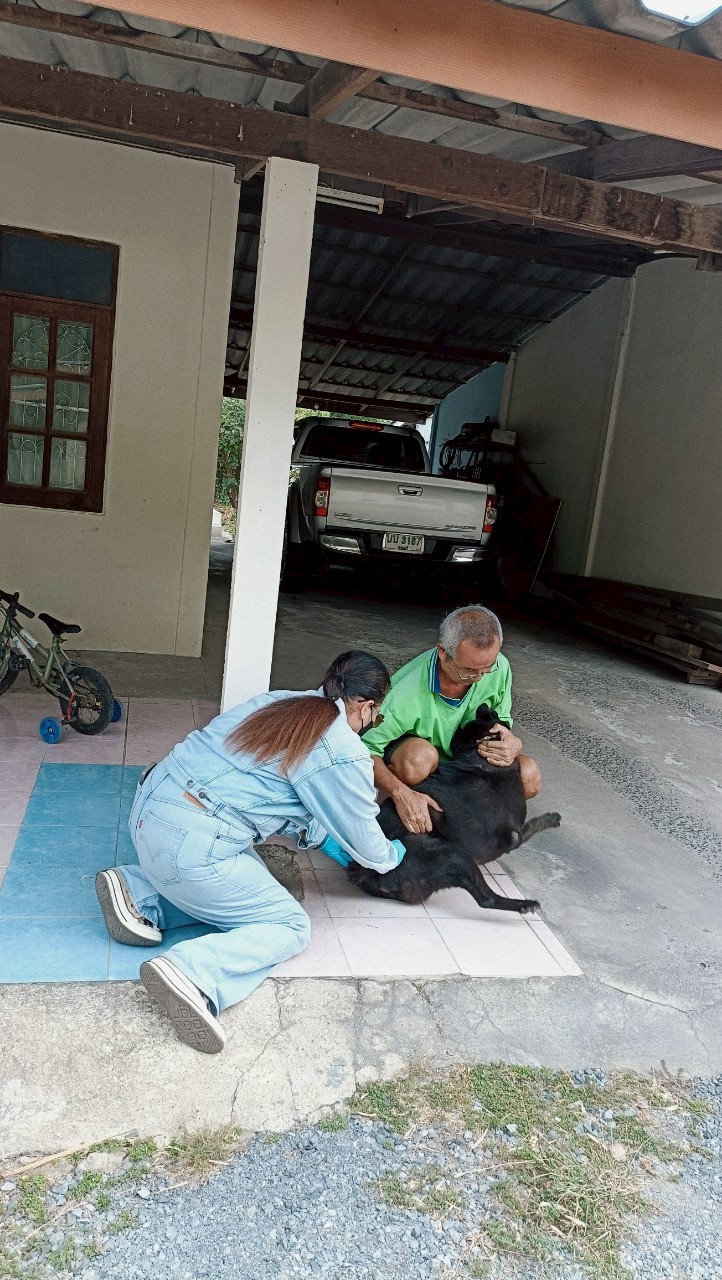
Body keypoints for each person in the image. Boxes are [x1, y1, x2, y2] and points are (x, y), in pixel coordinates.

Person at [95, 652, 405, 1055]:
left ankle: (138, 894)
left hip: (150, 809)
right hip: (189, 843)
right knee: (288, 924)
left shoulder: (280, 702)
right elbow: (367, 844)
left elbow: (279, 796)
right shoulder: (342, 750)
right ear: (366, 706)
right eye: (377, 716)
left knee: (256, 890)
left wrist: (318, 835)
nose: (372, 723)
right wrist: (394, 856)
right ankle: (193, 971)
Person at [362, 604, 541, 834]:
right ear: (442, 652)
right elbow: (364, 750)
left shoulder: (500, 667)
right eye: (469, 670)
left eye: (487, 667)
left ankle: (465, 824)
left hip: (465, 762)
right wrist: (400, 792)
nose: (479, 678)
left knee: (528, 775)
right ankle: (397, 809)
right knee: (419, 759)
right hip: (424, 766)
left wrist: (513, 742)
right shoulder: (404, 692)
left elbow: (501, 719)